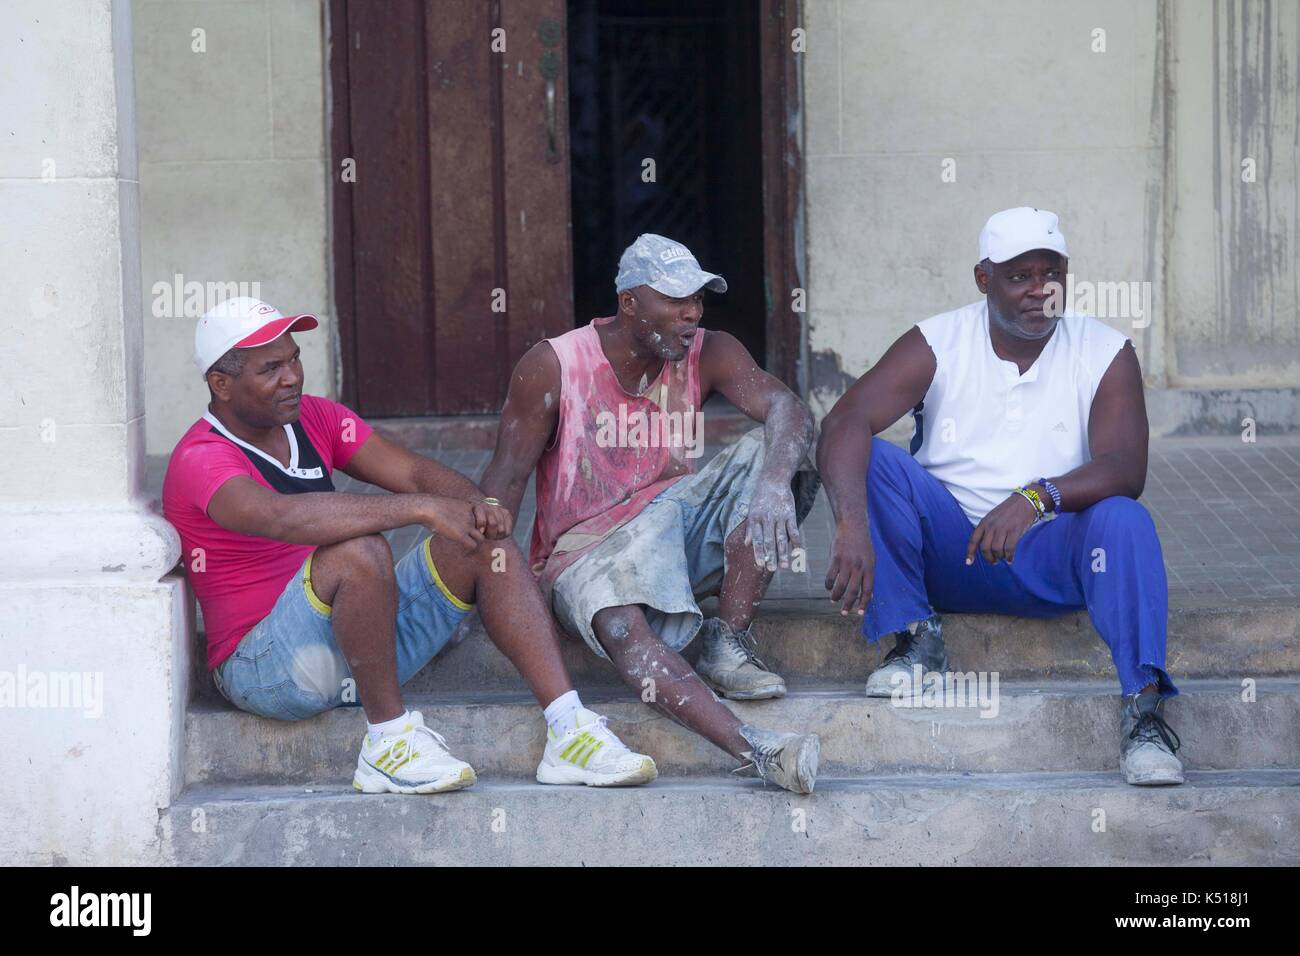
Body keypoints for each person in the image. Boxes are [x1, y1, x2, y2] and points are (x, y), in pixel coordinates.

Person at [163, 296, 656, 794]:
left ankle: (570, 731)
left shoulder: (315, 418)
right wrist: (420, 509)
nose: (292, 376)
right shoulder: (201, 457)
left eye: (294, 358)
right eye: (271, 368)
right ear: (221, 384)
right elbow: (280, 515)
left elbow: (413, 470)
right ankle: (388, 743)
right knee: (359, 551)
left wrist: (476, 505)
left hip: (355, 645)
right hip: (266, 669)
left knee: (482, 540)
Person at [817, 207, 1184, 786]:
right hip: (950, 554)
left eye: (1052, 273)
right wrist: (850, 525)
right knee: (878, 462)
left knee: (1124, 519)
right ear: (983, 279)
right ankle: (916, 640)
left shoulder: (1105, 350)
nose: (1040, 290)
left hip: (1052, 557)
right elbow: (844, 421)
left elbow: (1125, 467)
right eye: (1019, 276)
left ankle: (1143, 715)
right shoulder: (937, 341)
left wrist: (1037, 497)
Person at [480, 235, 823, 794]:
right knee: (620, 624)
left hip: (671, 528)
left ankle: (728, 639)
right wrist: (490, 584)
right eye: (675, 299)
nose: (692, 313)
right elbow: (505, 479)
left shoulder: (710, 349)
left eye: (697, 300)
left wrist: (774, 484)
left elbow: (785, 405)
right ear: (629, 301)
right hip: (585, 552)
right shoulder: (553, 365)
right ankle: (758, 749)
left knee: (779, 448)